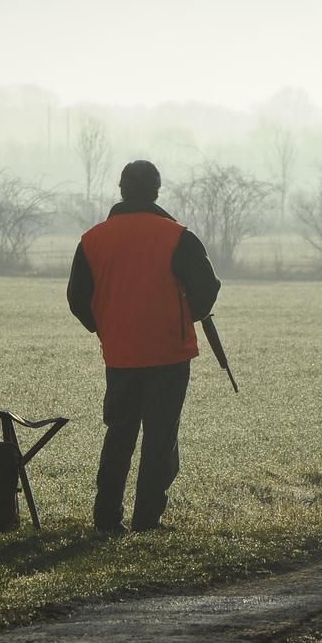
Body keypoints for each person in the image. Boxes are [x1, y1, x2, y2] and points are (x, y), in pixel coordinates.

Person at [67, 160, 221, 535]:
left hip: (120, 354)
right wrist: (186, 316)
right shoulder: (177, 236)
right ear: (156, 190)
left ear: (121, 190)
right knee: (159, 439)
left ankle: (106, 520)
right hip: (169, 354)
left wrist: (105, 327)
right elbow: (207, 288)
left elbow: (77, 298)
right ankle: (147, 520)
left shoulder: (93, 239)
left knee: (119, 435)